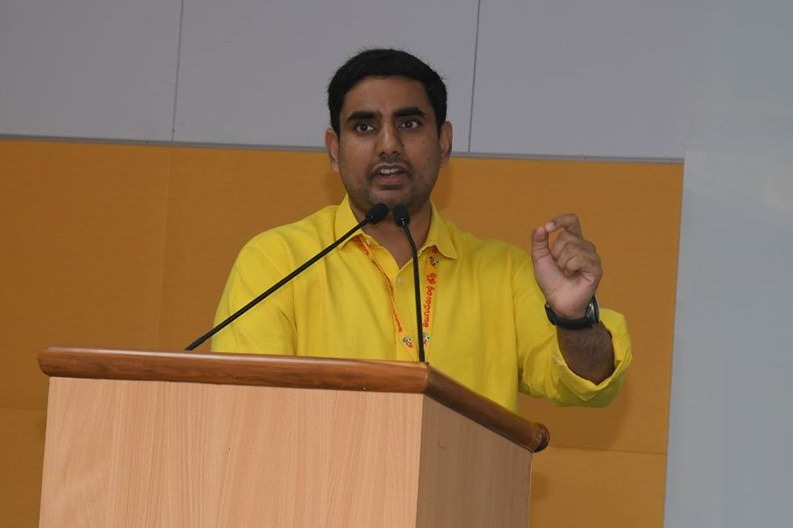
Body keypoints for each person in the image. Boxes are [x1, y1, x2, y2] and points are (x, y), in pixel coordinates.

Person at [211, 48, 631, 412]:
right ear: (334, 150)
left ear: (444, 142)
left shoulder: (503, 273)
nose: (388, 145)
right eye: (365, 127)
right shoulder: (277, 263)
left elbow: (588, 385)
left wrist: (574, 318)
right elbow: (245, 409)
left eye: (409, 124)